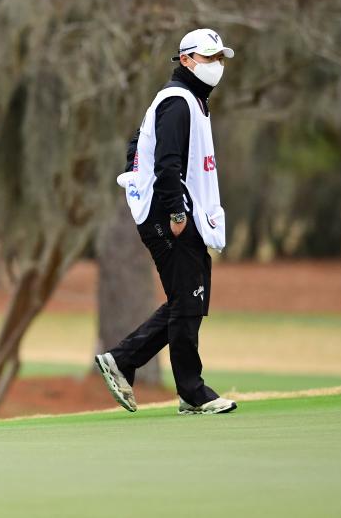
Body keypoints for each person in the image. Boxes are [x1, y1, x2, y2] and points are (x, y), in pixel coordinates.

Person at [96, 28, 237, 415]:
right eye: (209, 59)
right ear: (187, 60)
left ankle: (123, 360)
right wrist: (175, 212)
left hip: (172, 212)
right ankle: (192, 392)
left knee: (187, 299)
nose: (216, 66)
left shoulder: (188, 101)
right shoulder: (178, 102)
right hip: (171, 216)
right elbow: (167, 163)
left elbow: (135, 146)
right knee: (188, 301)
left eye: (220, 59)